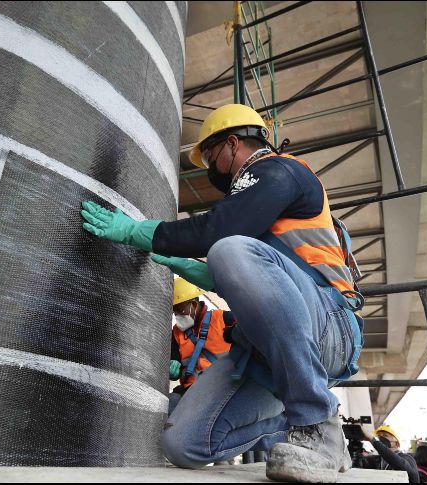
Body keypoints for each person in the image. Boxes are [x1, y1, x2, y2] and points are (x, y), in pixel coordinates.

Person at [80, 103, 364, 482]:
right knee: (183, 444)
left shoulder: (280, 170)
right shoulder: (260, 203)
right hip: (267, 350)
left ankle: (316, 420)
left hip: (329, 324)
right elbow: (264, 275)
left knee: (227, 249)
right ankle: (302, 431)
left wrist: (137, 232)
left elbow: (223, 234)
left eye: (211, 156)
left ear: (232, 144)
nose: (210, 167)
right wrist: (197, 270)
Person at [168, 278, 233, 414]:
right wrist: (173, 368)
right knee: (170, 406)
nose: (177, 316)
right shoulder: (176, 333)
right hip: (190, 391)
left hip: (223, 388)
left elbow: (252, 328)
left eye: (180, 310)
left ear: (194, 304)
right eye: (175, 312)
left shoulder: (223, 318)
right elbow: (174, 364)